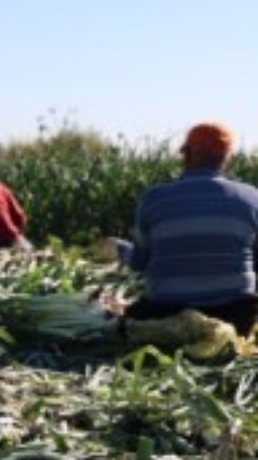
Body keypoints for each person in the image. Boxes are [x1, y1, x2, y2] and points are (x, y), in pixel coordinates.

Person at [104, 123, 258, 337]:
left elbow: (140, 262)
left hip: (165, 314)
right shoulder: (252, 198)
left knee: (126, 321)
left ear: (186, 153)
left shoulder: (154, 199)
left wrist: (120, 249)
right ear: (227, 157)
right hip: (234, 319)